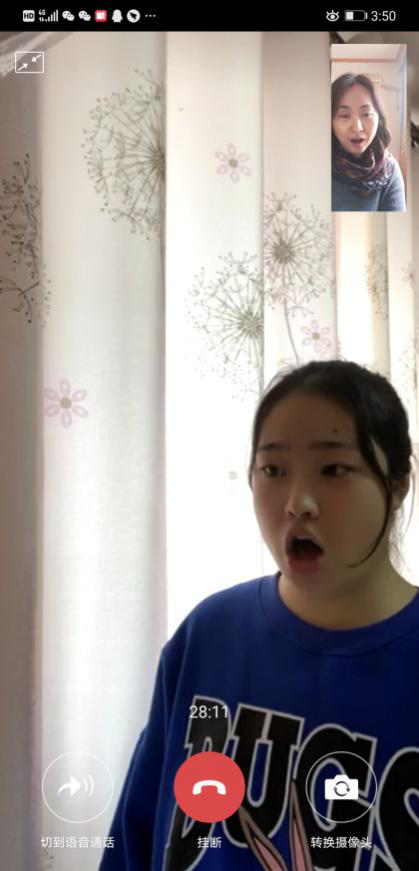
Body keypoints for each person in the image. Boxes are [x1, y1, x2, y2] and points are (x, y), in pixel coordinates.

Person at [99, 359, 419, 870]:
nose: (297, 503)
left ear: (399, 483)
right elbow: (134, 839)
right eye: (273, 470)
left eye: (334, 470)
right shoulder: (209, 634)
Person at [332, 73, 406, 212]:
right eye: (344, 115)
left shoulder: (389, 170)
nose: (357, 127)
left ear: (379, 118)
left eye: (366, 114)